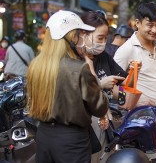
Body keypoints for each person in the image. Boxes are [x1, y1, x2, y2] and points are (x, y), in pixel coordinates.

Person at [26, 10, 109, 163]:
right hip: (71, 142)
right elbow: (100, 107)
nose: (82, 37)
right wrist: (91, 69)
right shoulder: (79, 68)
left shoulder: (35, 66)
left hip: (43, 136)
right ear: (72, 37)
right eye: (80, 33)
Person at [80, 11, 128, 163]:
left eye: (105, 38)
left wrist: (126, 99)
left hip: (105, 121)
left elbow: (119, 88)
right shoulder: (74, 60)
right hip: (83, 124)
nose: (103, 42)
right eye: (99, 38)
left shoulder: (104, 57)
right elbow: (75, 93)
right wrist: (100, 84)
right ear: (84, 34)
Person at [114, 2, 156, 106]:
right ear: (138, 23)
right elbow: (112, 85)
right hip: (136, 116)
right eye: (150, 25)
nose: (154, 30)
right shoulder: (126, 49)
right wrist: (132, 100)